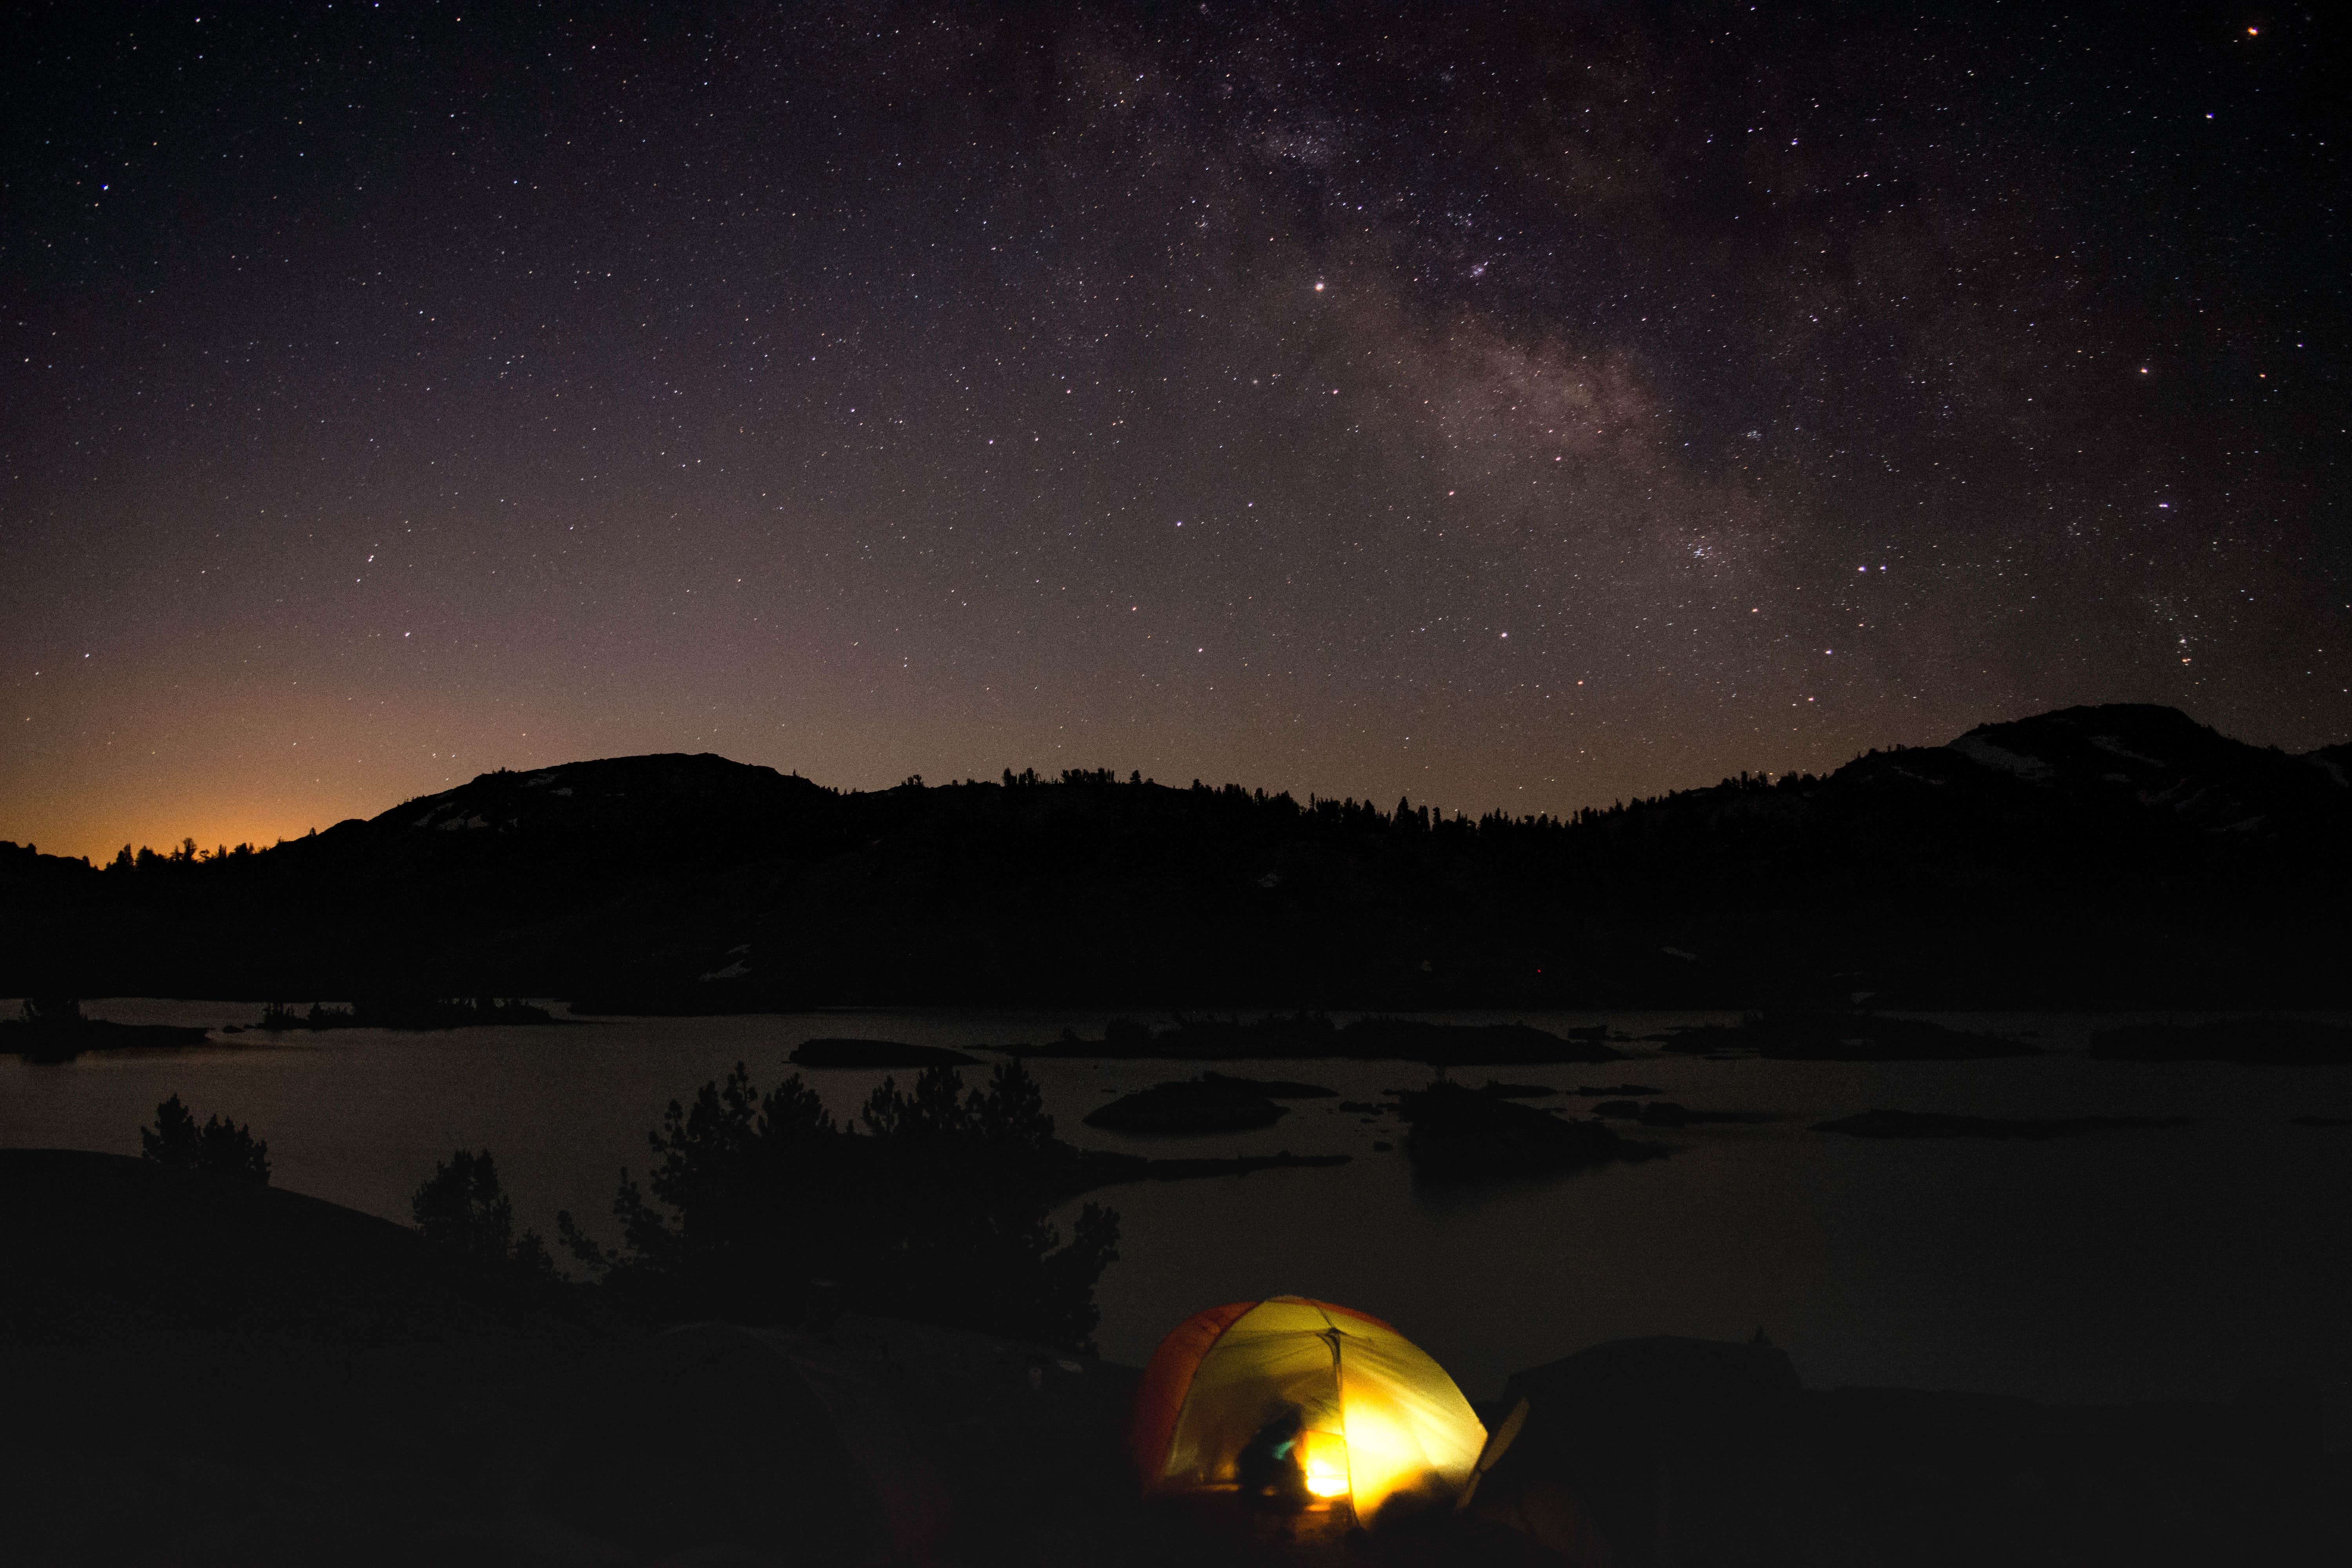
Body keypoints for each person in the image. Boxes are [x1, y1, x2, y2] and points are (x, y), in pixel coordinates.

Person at [1236, 1406, 1309, 1509]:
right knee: (1292, 1477)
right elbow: (1285, 1461)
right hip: (1257, 1468)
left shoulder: (1275, 1434)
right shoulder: (1278, 1436)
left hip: (1256, 1468)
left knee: (1293, 1476)